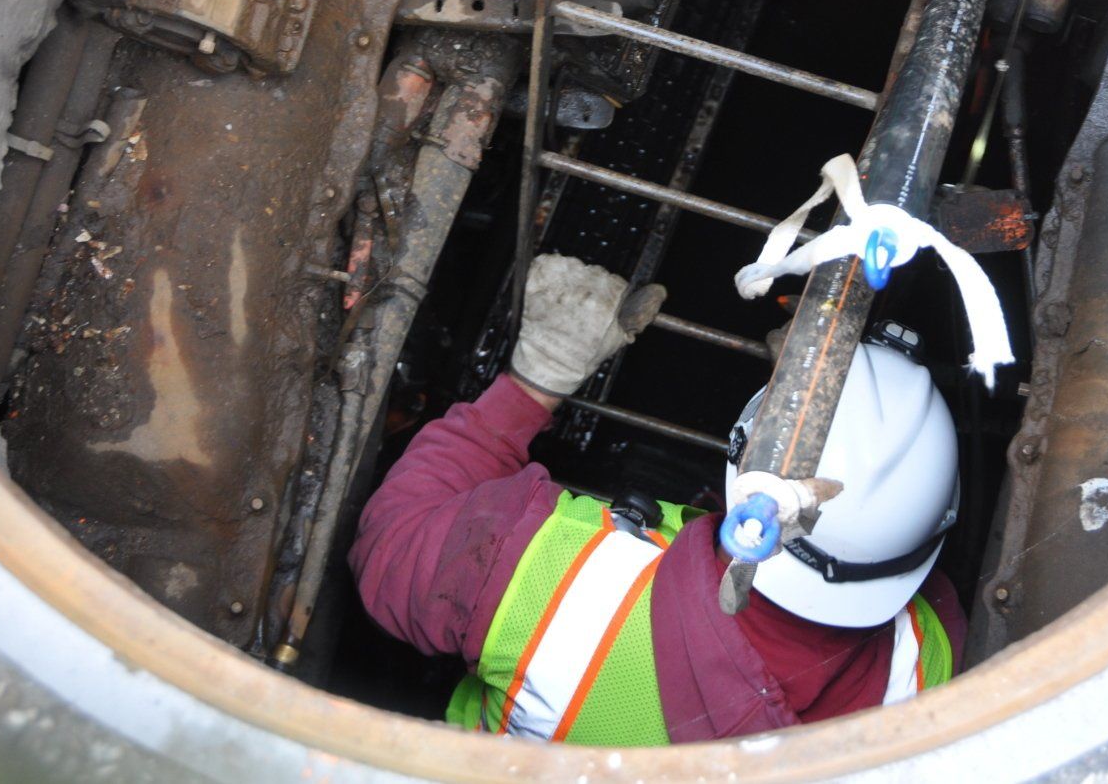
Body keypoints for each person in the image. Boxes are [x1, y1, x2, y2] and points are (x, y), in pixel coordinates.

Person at [351, 254, 964, 745]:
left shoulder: (554, 586)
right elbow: (893, 547)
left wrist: (534, 382)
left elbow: (390, 543)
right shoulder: (927, 672)